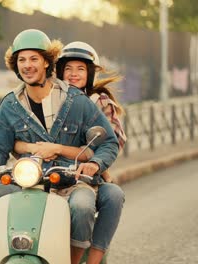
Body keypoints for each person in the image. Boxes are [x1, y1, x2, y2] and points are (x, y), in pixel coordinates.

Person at [0, 29, 119, 264]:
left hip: (71, 182)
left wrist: (95, 164)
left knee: (83, 205)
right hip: (28, 183)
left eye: (34, 59)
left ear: (47, 62)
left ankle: (74, 260)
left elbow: (108, 141)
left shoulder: (75, 101)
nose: (27, 65)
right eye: (22, 60)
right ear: (15, 65)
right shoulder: (10, 105)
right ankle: (3, 251)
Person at [13, 41, 127, 264]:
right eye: (68, 69)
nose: (73, 74)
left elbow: (109, 142)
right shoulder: (50, 99)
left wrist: (94, 163)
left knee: (113, 196)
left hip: (88, 174)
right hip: (45, 173)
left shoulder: (98, 102)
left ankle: (93, 259)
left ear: (90, 73)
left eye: (80, 69)